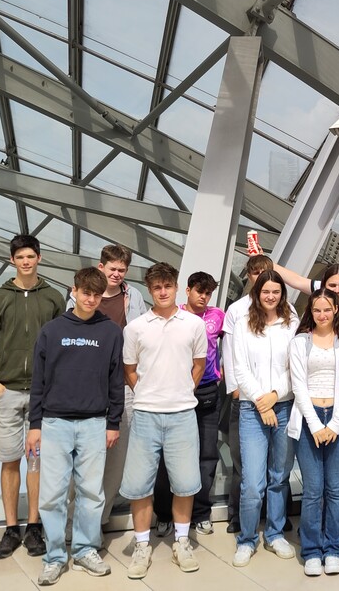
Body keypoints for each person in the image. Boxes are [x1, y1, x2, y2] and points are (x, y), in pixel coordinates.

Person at [28, 267, 124, 586]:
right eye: (86, 293)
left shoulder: (110, 332)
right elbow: (38, 381)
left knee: (91, 493)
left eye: (96, 295)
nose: (91, 299)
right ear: (74, 291)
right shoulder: (52, 330)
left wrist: (113, 422)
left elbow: (116, 380)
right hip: (54, 422)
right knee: (52, 495)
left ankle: (84, 550)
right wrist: (35, 424)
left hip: (95, 422)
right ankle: (54, 556)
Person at [0, 234, 65, 559]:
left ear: (39, 258)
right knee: (10, 460)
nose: (26, 261)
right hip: (8, 392)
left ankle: (34, 527)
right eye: (20, 257)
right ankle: (11, 528)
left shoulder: (53, 298)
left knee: (36, 460)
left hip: (42, 394)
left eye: (30, 256)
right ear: (12, 260)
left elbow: (62, 345)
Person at [120, 263, 207, 580]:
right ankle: (142, 545)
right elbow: (130, 370)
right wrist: (147, 393)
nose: (163, 291)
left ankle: (181, 541)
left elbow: (199, 364)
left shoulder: (194, 324)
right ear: (150, 290)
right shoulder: (135, 328)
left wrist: (183, 390)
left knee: (185, 483)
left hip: (182, 413)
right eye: (157, 287)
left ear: (176, 287)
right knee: (139, 485)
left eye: (167, 285)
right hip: (145, 414)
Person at [68, 244, 147, 526]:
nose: (117, 274)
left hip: (123, 384)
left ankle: (98, 522)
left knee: (117, 458)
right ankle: (73, 521)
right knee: (81, 457)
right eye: (112, 268)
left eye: (122, 270)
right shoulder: (82, 295)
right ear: (101, 266)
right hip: (87, 386)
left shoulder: (133, 296)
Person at [288, 288, 339, 576]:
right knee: (313, 490)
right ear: (310, 311)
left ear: (336, 310)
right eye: (317, 310)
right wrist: (316, 425)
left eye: (327, 309)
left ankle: (333, 549)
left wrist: (334, 424)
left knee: (336, 488)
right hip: (309, 419)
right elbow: (298, 385)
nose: (322, 314)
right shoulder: (300, 343)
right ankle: (311, 550)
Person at [231, 270, 300, 567]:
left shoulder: (292, 323)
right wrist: (262, 401)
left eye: (276, 292)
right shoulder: (243, 323)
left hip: (283, 407)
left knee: (279, 477)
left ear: (282, 294)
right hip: (252, 410)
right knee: (252, 482)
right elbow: (240, 368)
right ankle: (246, 539)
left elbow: (295, 367)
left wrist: (274, 395)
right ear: (257, 293)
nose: (271, 296)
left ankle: (274, 534)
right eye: (265, 291)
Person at [153, 271, 225, 536]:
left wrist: (222, 371)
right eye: (199, 291)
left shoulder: (217, 316)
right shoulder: (176, 315)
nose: (204, 297)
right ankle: (164, 514)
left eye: (208, 293)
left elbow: (231, 344)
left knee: (207, 454)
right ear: (188, 290)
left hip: (207, 392)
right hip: (175, 393)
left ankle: (200, 513)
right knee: (168, 456)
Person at [221, 253, 275, 533]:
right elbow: (229, 353)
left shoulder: (284, 308)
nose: (259, 277)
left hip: (276, 398)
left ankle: (273, 516)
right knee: (243, 462)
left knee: (274, 464)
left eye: (264, 272)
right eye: (255, 273)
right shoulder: (237, 309)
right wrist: (235, 390)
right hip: (244, 397)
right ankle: (238, 516)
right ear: (249, 276)